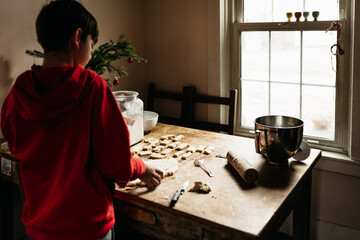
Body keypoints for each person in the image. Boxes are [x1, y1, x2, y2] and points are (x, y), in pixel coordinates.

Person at [0, 0, 163, 239]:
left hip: (40, 226)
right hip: (89, 226)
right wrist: (142, 167)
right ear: (77, 37)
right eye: (91, 44)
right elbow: (115, 164)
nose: (91, 52)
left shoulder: (21, 90)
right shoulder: (92, 87)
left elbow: (16, 144)